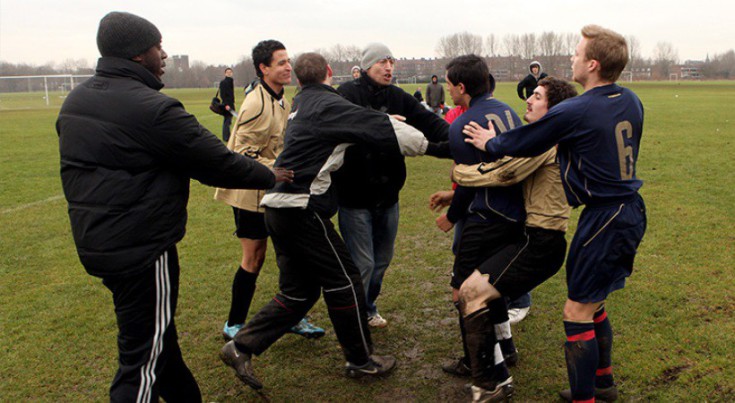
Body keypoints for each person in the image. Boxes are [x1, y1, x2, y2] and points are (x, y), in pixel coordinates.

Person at [56, 12, 292, 402]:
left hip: (97, 241)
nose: (163, 54)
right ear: (137, 54)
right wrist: (273, 175)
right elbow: (218, 162)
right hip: (142, 249)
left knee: (157, 339)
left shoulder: (77, 100)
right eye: (157, 46)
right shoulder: (153, 108)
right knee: (141, 362)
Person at [219, 52, 447, 389]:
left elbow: (351, 126)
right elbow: (382, 128)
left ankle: (240, 346)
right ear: (329, 72)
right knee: (346, 280)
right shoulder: (328, 105)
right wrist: (443, 148)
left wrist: (372, 122)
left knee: (299, 292)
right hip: (300, 210)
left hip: (278, 208)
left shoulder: (303, 103)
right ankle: (360, 360)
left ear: (298, 79)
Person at [463, 25, 646, 402]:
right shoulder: (630, 100)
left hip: (605, 216)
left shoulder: (576, 108)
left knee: (576, 310)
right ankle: (603, 383)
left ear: (592, 64)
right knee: (592, 301)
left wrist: (489, 141)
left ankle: (586, 399)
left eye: (577, 53)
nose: (572, 58)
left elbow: (525, 142)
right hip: (628, 210)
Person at [449, 76, 578, 402]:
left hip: (541, 244)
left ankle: (491, 383)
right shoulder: (544, 138)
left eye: (536, 96)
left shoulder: (548, 140)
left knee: (471, 293)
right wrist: (496, 141)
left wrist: (460, 173)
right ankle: (500, 368)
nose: (529, 100)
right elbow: (512, 157)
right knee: (480, 292)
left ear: (552, 108)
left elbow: (506, 172)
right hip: (531, 238)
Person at [214, 40, 323, 342]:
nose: (288, 67)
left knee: (290, 254)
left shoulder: (283, 100)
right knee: (254, 257)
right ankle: (234, 324)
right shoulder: (255, 102)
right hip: (249, 193)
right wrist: (276, 168)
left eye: (289, 61)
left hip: (275, 191)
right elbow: (238, 152)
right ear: (263, 68)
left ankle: (293, 316)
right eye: (280, 63)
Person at [334, 43, 449, 328]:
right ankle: (355, 322)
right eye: (382, 62)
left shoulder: (398, 96)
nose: (388, 68)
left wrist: (457, 138)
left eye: (391, 62)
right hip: (354, 195)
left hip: (388, 196)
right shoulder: (346, 95)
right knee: (363, 264)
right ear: (367, 65)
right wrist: (383, 122)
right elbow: (343, 126)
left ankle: (368, 306)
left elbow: (429, 122)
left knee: (382, 261)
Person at [433, 55, 525, 395]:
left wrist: (452, 215)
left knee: (464, 291)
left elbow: (469, 183)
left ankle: (483, 367)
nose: (446, 89)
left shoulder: (462, 126)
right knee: (489, 283)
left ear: (461, 87)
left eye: (449, 83)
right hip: (515, 215)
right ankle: (506, 346)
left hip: (484, 218)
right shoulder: (508, 112)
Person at [220, 67, 235, 142]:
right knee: (227, 120)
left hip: (231, 104)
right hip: (227, 105)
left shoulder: (231, 81)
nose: (229, 73)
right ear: (225, 73)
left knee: (228, 121)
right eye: (227, 72)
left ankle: (227, 136)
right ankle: (226, 137)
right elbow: (222, 95)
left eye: (230, 72)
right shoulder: (223, 82)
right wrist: (226, 104)